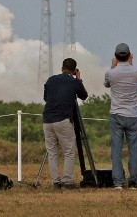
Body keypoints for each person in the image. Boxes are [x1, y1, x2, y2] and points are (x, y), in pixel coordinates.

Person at [43, 57, 88, 189]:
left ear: (62, 68)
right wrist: (79, 79)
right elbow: (84, 95)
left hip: (47, 119)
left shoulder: (51, 80)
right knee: (68, 151)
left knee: (52, 152)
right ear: (74, 70)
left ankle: (56, 181)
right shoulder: (74, 82)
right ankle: (67, 181)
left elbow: (46, 98)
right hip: (63, 119)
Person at [104, 43, 137, 190]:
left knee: (116, 149)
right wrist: (131, 64)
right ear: (129, 55)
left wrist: (113, 66)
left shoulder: (111, 72)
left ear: (116, 56)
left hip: (117, 114)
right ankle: (133, 181)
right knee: (133, 149)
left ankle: (118, 182)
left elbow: (106, 84)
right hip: (132, 114)